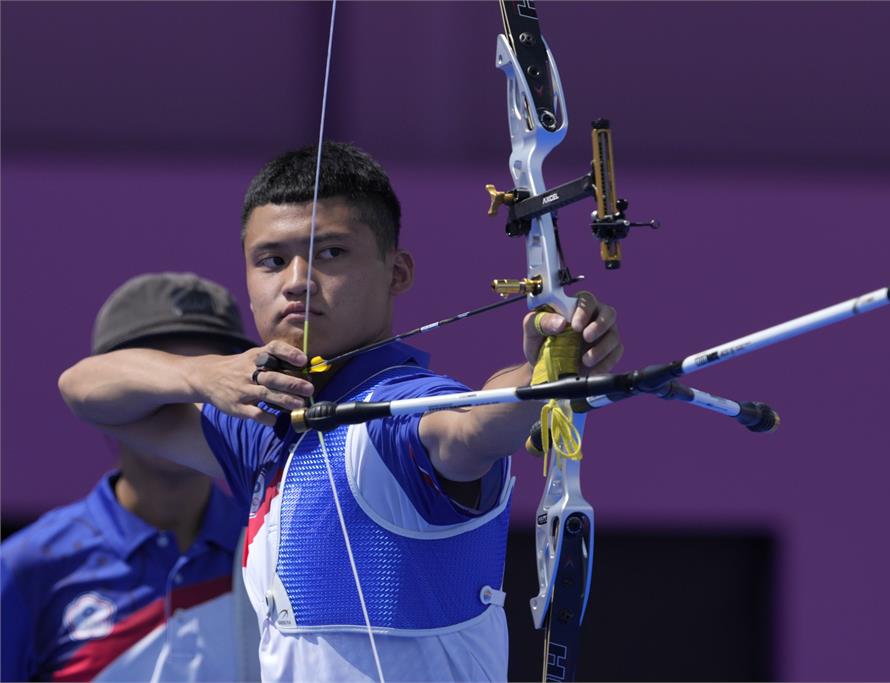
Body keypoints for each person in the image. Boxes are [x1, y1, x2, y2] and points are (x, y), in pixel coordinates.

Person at [57, 142, 623, 682]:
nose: (297, 283)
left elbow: (472, 425)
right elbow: (85, 390)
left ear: (397, 272)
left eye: (330, 253)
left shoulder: (402, 413)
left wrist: (541, 374)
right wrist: (199, 374)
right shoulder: (263, 425)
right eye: (271, 260)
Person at [2, 272, 262, 682]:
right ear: (108, 394)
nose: (186, 403)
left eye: (212, 381)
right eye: (161, 381)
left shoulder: (270, 550)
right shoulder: (25, 566)